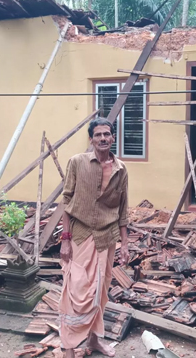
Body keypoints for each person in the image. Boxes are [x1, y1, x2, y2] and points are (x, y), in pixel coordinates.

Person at [58, 117, 129, 358]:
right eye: (97, 135)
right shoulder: (77, 163)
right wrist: (65, 239)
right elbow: (66, 201)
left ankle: (94, 341)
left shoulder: (121, 169)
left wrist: (125, 244)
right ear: (91, 139)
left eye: (106, 134)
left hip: (107, 238)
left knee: (101, 291)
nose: (102, 138)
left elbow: (122, 208)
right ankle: (68, 348)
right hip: (80, 236)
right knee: (75, 291)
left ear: (112, 137)